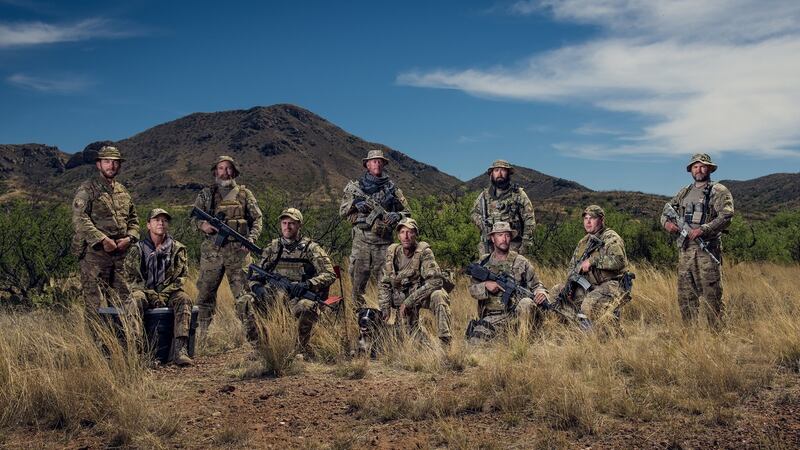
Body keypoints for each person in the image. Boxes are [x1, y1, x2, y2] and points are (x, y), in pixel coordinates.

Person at [237, 208, 336, 357]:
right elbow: (256, 273)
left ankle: (298, 350)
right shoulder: (273, 248)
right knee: (245, 301)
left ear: (299, 225)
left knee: (306, 306)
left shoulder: (311, 248)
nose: (287, 227)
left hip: (297, 298)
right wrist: (257, 288)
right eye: (284, 223)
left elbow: (330, 274)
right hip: (273, 297)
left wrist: (308, 284)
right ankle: (259, 348)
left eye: (291, 223)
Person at [192, 155, 263, 337]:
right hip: (212, 253)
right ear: (215, 171)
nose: (225, 172)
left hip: (238, 253)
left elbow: (257, 219)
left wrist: (252, 239)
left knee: (244, 297)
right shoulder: (206, 194)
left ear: (234, 170)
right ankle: (201, 337)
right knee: (205, 296)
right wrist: (203, 226)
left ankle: (253, 339)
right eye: (221, 168)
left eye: (229, 168)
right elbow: (193, 218)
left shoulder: (245, 194)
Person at [660, 154, 734, 327]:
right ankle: (690, 338)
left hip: (707, 250)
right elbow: (665, 212)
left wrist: (703, 229)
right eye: (695, 167)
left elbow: (726, 216)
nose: (699, 170)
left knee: (712, 296)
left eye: (702, 166)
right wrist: (667, 225)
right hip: (685, 251)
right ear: (690, 170)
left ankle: (717, 337)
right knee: (686, 296)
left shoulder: (719, 191)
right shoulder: (684, 192)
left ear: (709, 169)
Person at [71, 145, 139, 316]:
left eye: (115, 162)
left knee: (123, 302)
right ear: (98, 165)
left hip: (120, 255)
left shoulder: (123, 191)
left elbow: (134, 220)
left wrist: (130, 238)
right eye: (107, 161)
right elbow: (80, 219)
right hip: (95, 255)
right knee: (96, 304)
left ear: (120, 166)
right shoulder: (88, 189)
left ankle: (122, 340)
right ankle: (97, 342)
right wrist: (102, 239)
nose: (111, 166)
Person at [340, 149, 410, 309]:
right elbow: (342, 212)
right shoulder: (356, 187)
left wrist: (397, 216)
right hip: (361, 241)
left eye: (380, 161)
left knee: (386, 285)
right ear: (367, 165)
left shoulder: (392, 189)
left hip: (384, 243)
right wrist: (355, 205)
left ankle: (384, 319)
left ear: (384, 165)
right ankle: (360, 318)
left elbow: (408, 212)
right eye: (373, 161)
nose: (377, 163)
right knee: (357, 284)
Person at [123, 208, 193, 366]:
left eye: (165, 220)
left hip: (169, 291)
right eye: (157, 220)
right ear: (148, 225)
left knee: (185, 299)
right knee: (133, 302)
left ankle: (180, 350)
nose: (161, 223)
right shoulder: (138, 249)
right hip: (144, 291)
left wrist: (165, 293)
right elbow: (131, 277)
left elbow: (182, 276)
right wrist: (151, 293)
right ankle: (137, 353)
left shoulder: (177, 248)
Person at [467, 222, 548, 341]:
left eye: (507, 235)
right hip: (492, 317)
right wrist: (485, 285)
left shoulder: (521, 261)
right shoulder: (484, 262)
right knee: (475, 343)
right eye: (500, 235)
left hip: (518, 316)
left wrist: (541, 293)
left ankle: (523, 345)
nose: (504, 239)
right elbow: (472, 289)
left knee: (526, 302)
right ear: (493, 239)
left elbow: (537, 285)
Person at [553, 205, 630, 329]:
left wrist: (593, 261)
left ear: (601, 220)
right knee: (557, 292)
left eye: (592, 218)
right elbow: (571, 267)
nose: (588, 221)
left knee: (589, 303)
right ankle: (567, 329)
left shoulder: (611, 238)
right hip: (589, 285)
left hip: (611, 284)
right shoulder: (583, 242)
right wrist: (570, 284)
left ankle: (595, 335)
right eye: (586, 218)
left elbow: (619, 261)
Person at [378, 218, 452, 346]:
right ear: (398, 235)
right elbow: (384, 283)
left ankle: (445, 342)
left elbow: (435, 282)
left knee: (438, 296)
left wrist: (409, 302)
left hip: (421, 296)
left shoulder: (424, 252)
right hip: (402, 298)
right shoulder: (393, 253)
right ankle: (424, 342)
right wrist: (385, 307)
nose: (406, 236)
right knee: (406, 340)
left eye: (410, 232)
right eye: (402, 232)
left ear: (415, 234)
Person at [470, 160, 536, 256]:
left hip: (513, 244)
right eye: (496, 170)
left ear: (508, 173)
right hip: (489, 244)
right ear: (491, 174)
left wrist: (525, 245)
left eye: (503, 170)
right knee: (485, 268)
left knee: (511, 269)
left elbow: (529, 220)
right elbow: (474, 213)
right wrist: (483, 224)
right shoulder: (485, 195)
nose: (500, 174)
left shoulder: (518, 194)